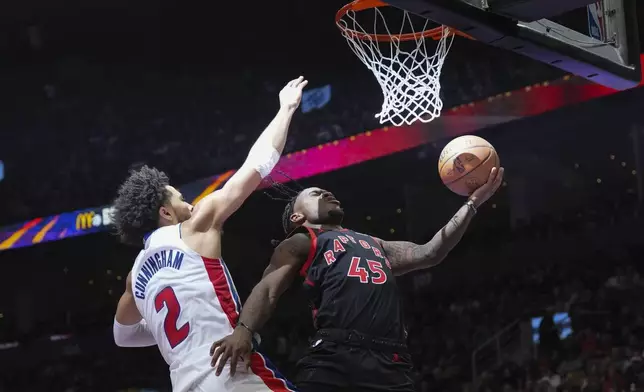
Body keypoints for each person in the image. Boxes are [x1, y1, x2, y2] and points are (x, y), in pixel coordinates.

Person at [210, 166, 505, 391]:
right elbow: (268, 289)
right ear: (298, 218)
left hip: (391, 361)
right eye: (315, 194)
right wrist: (244, 331)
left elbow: (430, 252)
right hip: (336, 357)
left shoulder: (374, 243)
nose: (326, 193)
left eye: (326, 191)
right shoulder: (303, 240)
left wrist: (472, 204)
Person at [111, 77, 308, 392]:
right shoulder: (195, 225)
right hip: (230, 373)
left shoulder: (134, 279)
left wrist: (170, 328)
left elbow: (123, 337)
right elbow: (257, 166)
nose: (189, 204)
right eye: (179, 199)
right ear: (165, 212)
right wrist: (286, 108)